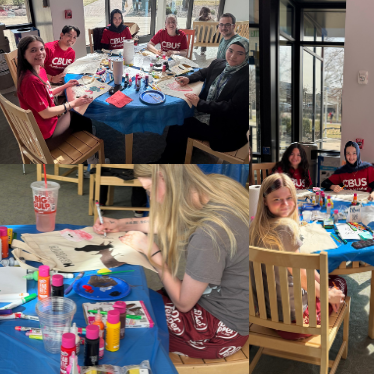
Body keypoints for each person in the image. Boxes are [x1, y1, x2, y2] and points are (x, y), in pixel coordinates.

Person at [93, 165, 250, 359]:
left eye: (149, 190)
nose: (150, 197)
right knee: (131, 299)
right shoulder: (217, 186)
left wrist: (152, 252)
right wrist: (121, 224)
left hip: (221, 331)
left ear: (163, 178)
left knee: (120, 323)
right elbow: (173, 218)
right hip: (229, 304)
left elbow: (184, 303)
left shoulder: (208, 235)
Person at [250, 173, 346, 340]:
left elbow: (303, 270)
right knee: (340, 282)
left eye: (289, 198)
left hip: (266, 315)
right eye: (277, 199)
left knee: (327, 281)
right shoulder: (285, 229)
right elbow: (301, 274)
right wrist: (328, 294)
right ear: (265, 201)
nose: (285, 204)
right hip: (295, 323)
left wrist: (324, 285)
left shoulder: (254, 227)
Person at [157, 38, 250, 163]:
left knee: (179, 125)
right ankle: (182, 152)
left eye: (240, 53)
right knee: (182, 119)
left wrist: (200, 103)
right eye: (231, 50)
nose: (233, 56)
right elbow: (204, 72)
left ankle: (168, 162)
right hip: (211, 116)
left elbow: (230, 108)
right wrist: (189, 78)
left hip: (227, 128)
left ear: (247, 55)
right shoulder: (220, 64)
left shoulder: (247, 78)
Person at [16, 36, 93, 150]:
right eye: (33, 50)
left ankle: (87, 136)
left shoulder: (39, 69)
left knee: (78, 114)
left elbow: (46, 92)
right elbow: (45, 113)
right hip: (45, 138)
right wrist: (73, 104)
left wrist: (65, 85)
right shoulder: (30, 81)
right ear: (23, 54)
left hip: (45, 125)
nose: (40, 53)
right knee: (82, 118)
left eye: (41, 49)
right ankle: (91, 159)